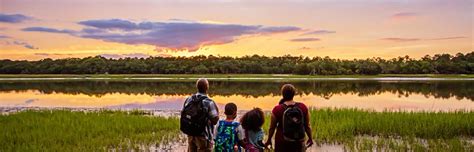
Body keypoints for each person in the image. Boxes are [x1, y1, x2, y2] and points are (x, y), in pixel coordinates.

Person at [264, 84, 313, 152]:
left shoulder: (277, 109)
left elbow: (272, 128)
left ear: (282, 94)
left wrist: (269, 140)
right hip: (298, 141)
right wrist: (310, 138)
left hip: (282, 141)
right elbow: (307, 126)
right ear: (294, 94)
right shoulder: (303, 107)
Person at [180, 78, 219, 152]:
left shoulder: (189, 99)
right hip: (204, 136)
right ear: (207, 87)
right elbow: (215, 121)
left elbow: (183, 113)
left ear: (197, 87)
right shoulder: (209, 102)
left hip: (190, 134)